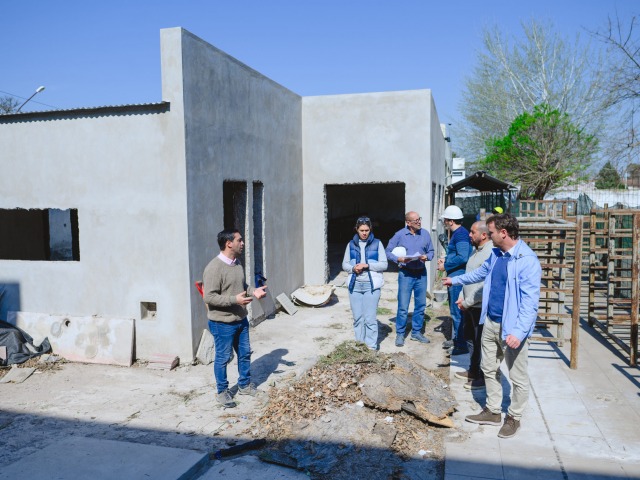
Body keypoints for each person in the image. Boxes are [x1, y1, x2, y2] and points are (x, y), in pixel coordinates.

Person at [443, 213, 541, 438]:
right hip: (490, 322)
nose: (489, 236)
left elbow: (530, 303)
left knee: (518, 377)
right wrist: (455, 280)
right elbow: (481, 273)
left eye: (493, 232)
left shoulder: (527, 260)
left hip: (511, 329)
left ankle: (514, 417)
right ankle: (494, 410)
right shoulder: (497, 254)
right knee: (488, 367)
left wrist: (518, 332)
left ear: (503, 233)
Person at [202, 228, 267, 408]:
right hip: (222, 323)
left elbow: (242, 285)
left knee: (245, 354)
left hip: (240, 320)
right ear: (229, 243)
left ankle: (245, 385)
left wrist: (254, 291)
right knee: (223, 357)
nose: (242, 243)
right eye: (239, 240)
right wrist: (234, 300)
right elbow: (209, 297)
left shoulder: (237, 264)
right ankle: (222, 392)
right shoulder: (214, 268)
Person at [385, 211, 435, 347]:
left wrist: (427, 257)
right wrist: (398, 259)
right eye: (416, 220)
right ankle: (400, 334)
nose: (419, 222)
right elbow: (387, 251)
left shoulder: (425, 234)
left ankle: (416, 332)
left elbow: (431, 251)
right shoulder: (400, 235)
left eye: (419, 219)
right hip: (406, 274)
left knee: (420, 305)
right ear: (408, 223)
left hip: (421, 274)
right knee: (403, 306)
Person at [454, 221, 493, 390]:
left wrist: (467, 301)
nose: (469, 235)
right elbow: (469, 276)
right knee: (470, 339)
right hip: (468, 305)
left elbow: (483, 284)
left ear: (483, 235)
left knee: (481, 343)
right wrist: (462, 296)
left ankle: (482, 377)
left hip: (479, 306)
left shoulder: (489, 253)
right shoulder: (475, 251)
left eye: (472, 232)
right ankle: (473, 370)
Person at [342, 216, 388, 350]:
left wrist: (367, 265)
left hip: (371, 286)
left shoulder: (377, 243)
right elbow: (344, 264)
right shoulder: (350, 244)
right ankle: (360, 346)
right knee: (358, 319)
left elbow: (384, 264)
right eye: (361, 230)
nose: (364, 233)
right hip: (355, 286)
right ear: (356, 229)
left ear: (370, 229)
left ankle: (371, 348)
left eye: (367, 230)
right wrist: (352, 268)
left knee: (370, 319)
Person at [437, 205, 471, 355]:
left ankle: (461, 345)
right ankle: (458, 339)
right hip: (454, 275)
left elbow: (463, 257)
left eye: (445, 220)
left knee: (457, 311)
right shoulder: (458, 233)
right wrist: (446, 259)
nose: (444, 222)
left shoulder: (461, 235)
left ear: (451, 221)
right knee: (455, 311)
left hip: (457, 277)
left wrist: (446, 264)